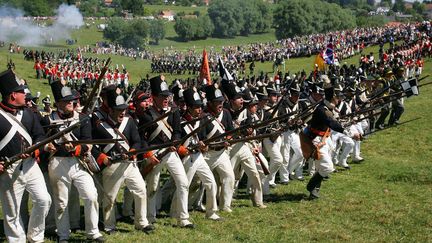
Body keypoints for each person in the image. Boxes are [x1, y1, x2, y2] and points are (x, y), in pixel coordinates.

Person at [41, 80, 104, 242]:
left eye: (71, 100)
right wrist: (51, 146)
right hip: (57, 163)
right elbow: (43, 143)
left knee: (91, 195)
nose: (71, 102)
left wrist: (76, 149)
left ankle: (93, 232)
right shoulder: (48, 121)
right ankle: (63, 235)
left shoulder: (82, 118)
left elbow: (87, 142)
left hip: (79, 163)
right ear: (57, 103)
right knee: (61, 203)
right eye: (66, 101)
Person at [91, 87, 155, 234]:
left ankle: (141, 222)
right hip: (112, 165)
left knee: (140, 190)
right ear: (111, 110)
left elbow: (137, 141)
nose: (122, 113)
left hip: (129, 164)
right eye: (119, 110)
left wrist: (132, 151)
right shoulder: (99, 124)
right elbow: (91, 144)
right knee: (110, 197)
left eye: (124, 109)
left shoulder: (129, 121)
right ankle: (109, 225)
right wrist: (101, 157)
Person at [0, 69, 52, 243]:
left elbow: (39, 135)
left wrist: (36, 150)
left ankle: (35, 237)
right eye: (22, 91)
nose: (25, 94)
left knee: (44, 200)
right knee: (12, 212)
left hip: (30, 165)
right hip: (8, 169)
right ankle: (17, 240)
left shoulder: (29, 113)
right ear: (13, 95)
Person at [139, 75, 194, 228]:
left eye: (167, 96)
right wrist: (148, 154)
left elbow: (177, 131)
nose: (166, 99)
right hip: (155, 153)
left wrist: (175, 143)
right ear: (154, 97)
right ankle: (150, 217)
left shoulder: (174, 111)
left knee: (183, 182)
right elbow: (142, 137)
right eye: (162, 96)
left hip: (170, 152)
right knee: (153, 186)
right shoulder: (146, 114)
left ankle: (183, 218)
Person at [300, 82, 360, 200]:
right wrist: (350, 133)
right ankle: (311, 186)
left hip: (324, 139)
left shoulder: (328, 107)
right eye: (338, 97)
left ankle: (314, 191)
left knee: (321, 167)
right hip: (315, 141)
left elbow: (334, 122)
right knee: (327, 167)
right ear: (333, 98)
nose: (340, 99)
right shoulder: (323, 110)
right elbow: (332, 123)